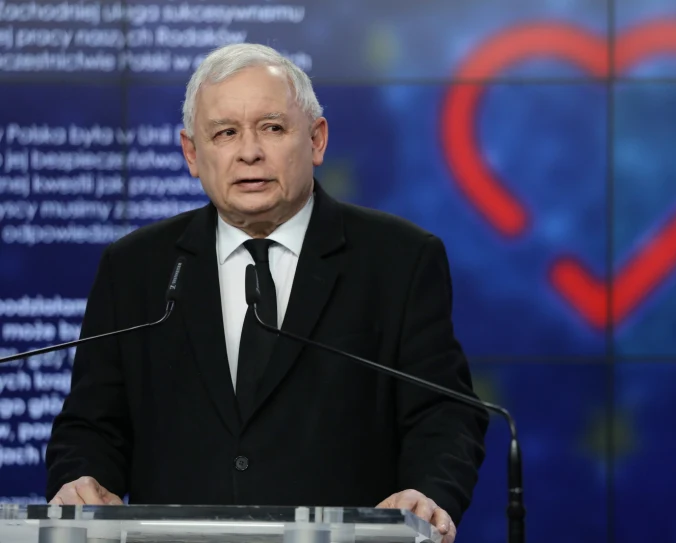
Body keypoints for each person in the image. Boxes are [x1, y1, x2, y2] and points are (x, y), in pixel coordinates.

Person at [45, 43, 488, 543]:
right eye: (225, 132)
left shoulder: (399, 259)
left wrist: (427, 493)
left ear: (317, 140)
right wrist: (82, 479)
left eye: (272, 128)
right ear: (192, 153)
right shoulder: (136, 267)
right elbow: (91, 423)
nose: (249, 152)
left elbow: (443, 412)